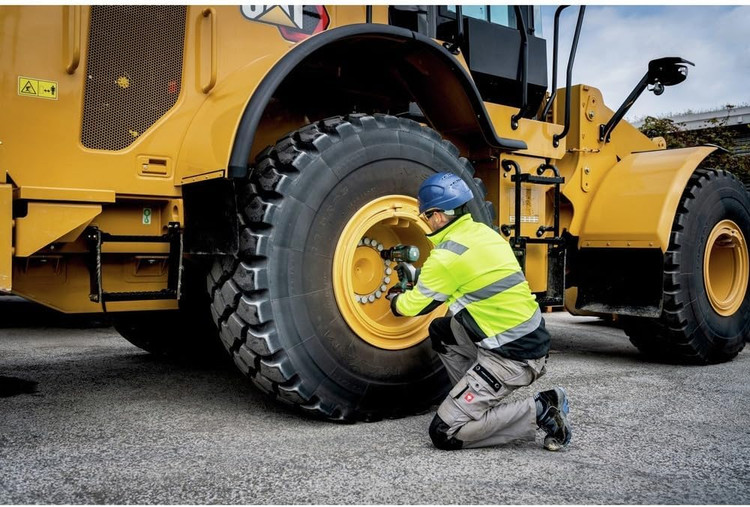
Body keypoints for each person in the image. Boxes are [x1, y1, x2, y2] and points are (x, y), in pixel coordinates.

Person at [386, 172, 572, 451]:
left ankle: (541, 409)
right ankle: (471, 401)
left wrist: (394, 299)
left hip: (513, 356)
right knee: (442, 331)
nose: (427, 221)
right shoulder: (486, 235)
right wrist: (422, 277)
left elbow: (414, 306)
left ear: (438, 216)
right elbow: (465, 274)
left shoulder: (446, 257)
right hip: (526, 338)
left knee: (445, 432)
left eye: (426, 216)